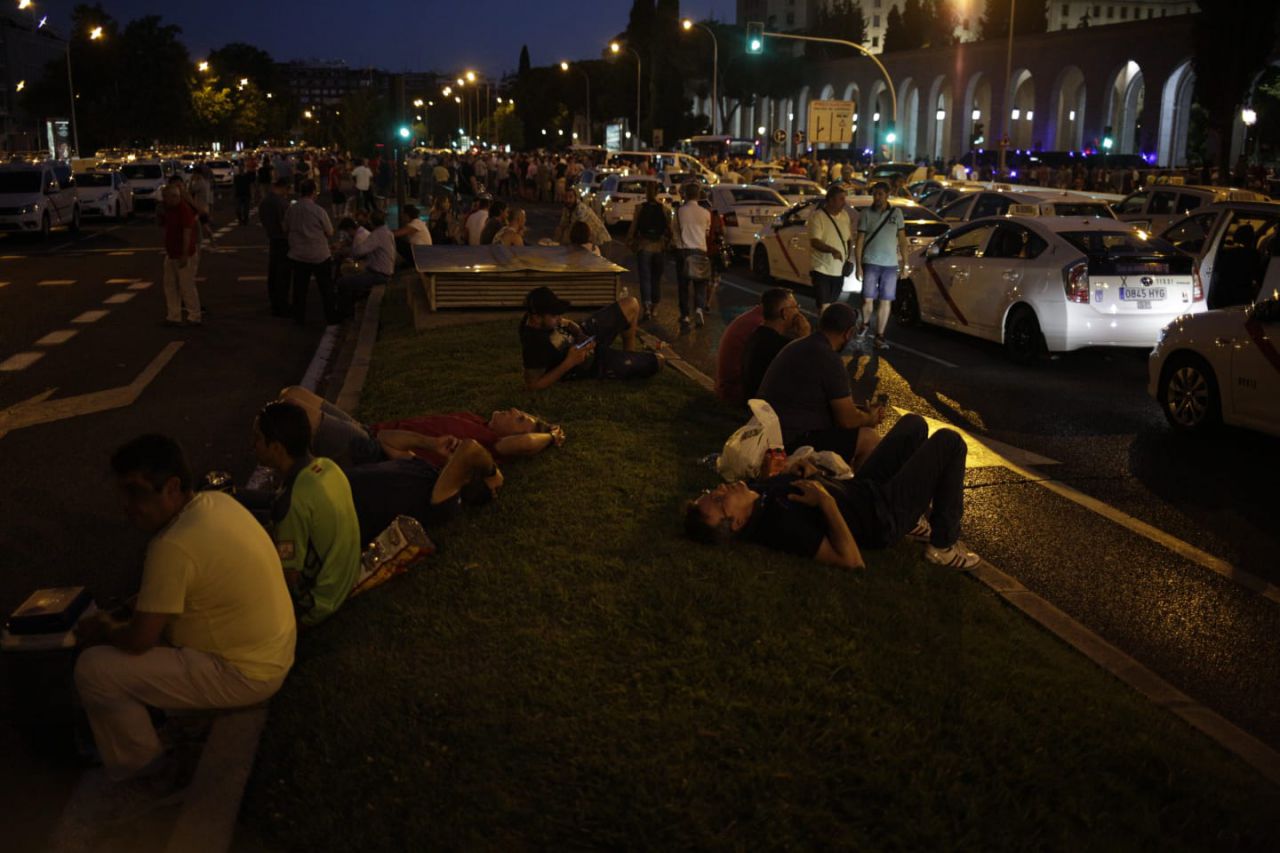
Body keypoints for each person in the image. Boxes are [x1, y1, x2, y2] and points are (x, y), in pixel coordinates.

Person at [74, 435, 295, 783]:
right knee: (137, 632)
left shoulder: (172, 546)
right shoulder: (214, 503)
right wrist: (125, 612)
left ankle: (146, 773)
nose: (126, 505)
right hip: (271, 653)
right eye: (122, 492)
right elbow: (166, 597)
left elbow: (139, 641)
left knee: (95, 669)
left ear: (173, 488)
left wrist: (101, 628)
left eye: (136, 492)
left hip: (245, 673)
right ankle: (177, 720)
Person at [683, 413, 980, 570]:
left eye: (713, 491)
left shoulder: (755, 493)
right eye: (720, 500)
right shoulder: (778, 525)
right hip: (880, 516)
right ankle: (943, 546)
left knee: (912, 425)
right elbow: (851, 561)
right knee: (949, 442)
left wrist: (805, 472)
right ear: (736, 522)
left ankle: (913, 519)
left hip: (861, 488)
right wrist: (825, 502)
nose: (722, 489)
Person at [252, 402, 361, 626]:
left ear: (276, 448)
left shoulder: (291, 500)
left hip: (320, 602)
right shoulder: (328, 467)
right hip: (347, 579)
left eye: (258, 439)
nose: (253, 446)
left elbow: (289, 574)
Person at [278, 385, 565, 469]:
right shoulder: (476, 421)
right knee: (292, 393)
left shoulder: (489, 446)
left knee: (290, 409)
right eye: (520, 413)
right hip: (371, 430)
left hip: (373, 450)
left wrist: (549, 436)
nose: (514, 410)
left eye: (518, 419)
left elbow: (525, 444)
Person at [758, 303, 882, 470]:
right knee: (869, 439)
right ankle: (853, 492)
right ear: (849, 333)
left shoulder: (798, 345)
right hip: (789, 441)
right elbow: (847, 420)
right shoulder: (829, 359)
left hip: (769, 431)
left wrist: (859, 412)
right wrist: (870, 418)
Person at [345, 440, 504, 544]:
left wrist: (492, 472)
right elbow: (386, 438)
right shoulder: (429, 470)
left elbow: (470, 449)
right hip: (336, 479)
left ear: (468, 476)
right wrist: (430, 444)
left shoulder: (447, 503)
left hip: (340, 509)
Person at [520, 286, 662, 390]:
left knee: (631, 304)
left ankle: (629, 352)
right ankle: (626, 361)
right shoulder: (534, 343)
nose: (558, 319)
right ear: (537, 318)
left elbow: (567, 323)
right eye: (554, 316)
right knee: (658, 361)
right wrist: (569, 362)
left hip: (584, 336)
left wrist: (581, 335)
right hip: (588, 362)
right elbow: (533, 385)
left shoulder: (538, 318)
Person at [854, 182, 911, 352]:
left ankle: (879, 335)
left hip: (890, 264)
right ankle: (864, 324)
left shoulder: (897, 213)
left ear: (887, 195)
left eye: (880, 194)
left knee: (886, 300)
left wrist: (905, 264)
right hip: (870, 261)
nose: (877, 197)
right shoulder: (865, 213)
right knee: (867, 298)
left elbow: (902, 239)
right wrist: (858, 265)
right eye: (875, 194)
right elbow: (860, 240)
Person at [742, 288, 811, 402]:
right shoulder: (782, 347)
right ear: (784, 313)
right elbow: (806, 374)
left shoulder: (757, 335)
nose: (798, 312)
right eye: (796, 307)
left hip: (754, 401)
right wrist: (805, 335)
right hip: (768, 410)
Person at [284, 179, 337, 325]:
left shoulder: (291, 209)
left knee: (299, 289)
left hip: (298, 254)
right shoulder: (318, 210)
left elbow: (285, 228)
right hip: (319, 253)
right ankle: (331, 317)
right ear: (313, 192)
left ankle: (299, 317)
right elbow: (330, 231)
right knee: (326, 288)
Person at [336, 209, 396, 318]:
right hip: (381, 271)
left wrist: (349, 252)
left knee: (343, 282)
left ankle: (345, 315)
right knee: (351, 278)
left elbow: (359, 251)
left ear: (372, 222)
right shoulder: (386, 231)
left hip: (379, 274)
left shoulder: (378, 234)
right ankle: (349, 310)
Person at [159, 184, 201, 327]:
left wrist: (184, 254)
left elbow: (187, 233)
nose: (164, 200)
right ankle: (174, 315)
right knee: (170, 285)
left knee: (186, 285)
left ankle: (194, 315)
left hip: (184, 254)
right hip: (172, 253)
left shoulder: (183, 210)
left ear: (174, 197)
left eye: (166, 197)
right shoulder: (169, 208)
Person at [626, 182, 670, 321]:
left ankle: (646, 307)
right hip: (659, 247)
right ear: (657, 193)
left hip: (644, 246)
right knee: (656, 279)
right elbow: (669, 231)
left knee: (645, 278)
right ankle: (655, 307)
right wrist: (667, 244)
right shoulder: (664, 209)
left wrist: (630, 243)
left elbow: (633, 229)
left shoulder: (640, 208)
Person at [807, 184, 852, 315]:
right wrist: (832, 250)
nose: (844, 202)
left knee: (831, 306)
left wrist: (847, 256)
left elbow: (848, 238)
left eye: (844, 199)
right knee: (824, 305)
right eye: (841, 199)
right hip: (821, 268)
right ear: (831, 200)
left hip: (839, 270)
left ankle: (824, 329)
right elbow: (815, 241)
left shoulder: (844, 216)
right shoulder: (817, 217)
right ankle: (822, 333)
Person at [673, 182, 712, 328]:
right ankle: (699, 308)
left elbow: (675, 231)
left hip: (683, 251)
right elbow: (707, 232)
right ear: (698, 195)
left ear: (685, 195)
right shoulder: (705, 213)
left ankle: (685, 315)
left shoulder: (679, 212)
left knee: (683, 285)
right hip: (700, 250)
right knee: (700, 283)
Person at [259, 177, 292, 317]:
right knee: (283, 275)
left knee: (273, 273)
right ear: (284, 187)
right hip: (283, 240)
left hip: (272, 238)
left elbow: (262, 219)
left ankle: (274, 303)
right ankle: (282, 305)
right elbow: (285, 224)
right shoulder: (281, 202)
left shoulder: (265, 201)